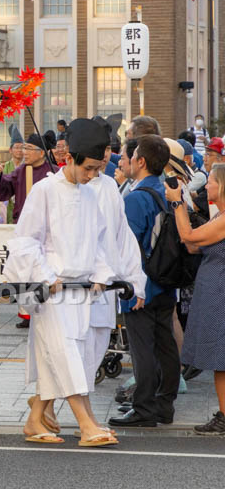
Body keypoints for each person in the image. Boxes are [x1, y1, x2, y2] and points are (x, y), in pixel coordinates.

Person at [5, 118, 119, 447]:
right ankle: (86, 426)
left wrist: (101, 276)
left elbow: (99, 242)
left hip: (82, 292)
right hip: (54, 292)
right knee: (65, 356)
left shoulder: (89, 195)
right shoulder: (44, 191)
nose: (94, 175)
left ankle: (34, 420)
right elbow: (25, 241)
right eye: (90, 168)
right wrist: (45, 276)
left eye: (99, 169)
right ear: (69, 158)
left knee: (72, 358)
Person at [109, 135, 180, 428]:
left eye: (133, 154)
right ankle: (165, 405)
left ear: (141, 161)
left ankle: (144, 408)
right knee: (166, 346)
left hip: (142, 284)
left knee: (142, 349)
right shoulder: (169, 190)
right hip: (167, 280)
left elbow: (128, 245)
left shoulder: (137, 198)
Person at [86, 119, 147, 415]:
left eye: (107, 153)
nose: (104, 160)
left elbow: (122, 238)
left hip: (105, 289)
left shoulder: (110, 186)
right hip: (73, 289)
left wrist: (135, 281)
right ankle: (80, 418)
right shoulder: (53, 189)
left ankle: (44, 412)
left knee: (96, 346)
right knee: (71, 357)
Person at [169, 162, 225, 434]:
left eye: (211, 182)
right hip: (214, 288)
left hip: (220, 291)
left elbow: (188, 236)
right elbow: (193, 245)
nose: (206, 187)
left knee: (220, 358)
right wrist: (184, 208)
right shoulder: (218, 216)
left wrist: (178, 203)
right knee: (219, 358)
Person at [0, 133, 55, 224]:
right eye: (25, 148)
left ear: (41, 153)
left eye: (29, 148)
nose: (24, 152)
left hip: (47, 223)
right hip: (22, 222)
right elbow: (5, 186)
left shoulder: (54, 172)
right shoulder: (21, 171)